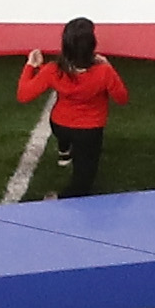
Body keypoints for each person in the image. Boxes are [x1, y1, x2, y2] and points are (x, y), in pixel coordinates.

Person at [17, 17, 125, 192]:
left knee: (64, 136)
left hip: (60, 125)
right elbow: (122, 98)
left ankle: (64, 149)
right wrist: (109, 66)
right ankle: (61, 199)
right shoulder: (104, 72)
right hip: (90, 132)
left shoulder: (53, 70)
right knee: (83, 182)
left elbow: (23, 95)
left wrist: (30, 65)